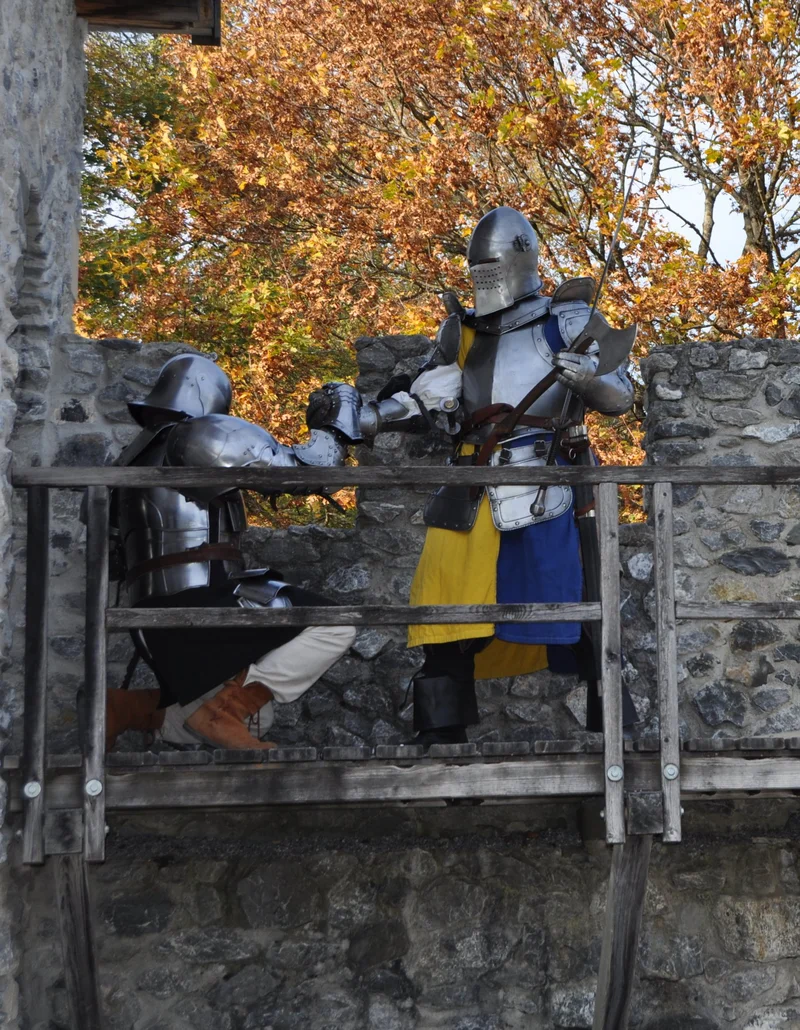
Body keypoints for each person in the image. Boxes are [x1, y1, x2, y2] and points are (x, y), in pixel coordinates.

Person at [310, 207, 637, 747]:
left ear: (520, 258)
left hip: (547, 483)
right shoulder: (459, 331)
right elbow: (426, 401)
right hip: (469, 483)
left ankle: (616, 739)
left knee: (578, 610)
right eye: (476, 266)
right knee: (442, 610)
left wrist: (587, 381)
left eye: (492, 263)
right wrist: (369, 416)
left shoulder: (569, 319)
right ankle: (443, 738)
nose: (484, 276)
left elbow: (620, 396)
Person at [103, 354, 362, 751]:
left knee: (260, 720)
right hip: (193, 602)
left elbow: (116, 557)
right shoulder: (197, 435)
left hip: (150, 615)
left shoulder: (132, 457)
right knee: (334, 623)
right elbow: (310, 469)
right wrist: (341, 420)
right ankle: (223, 711)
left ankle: (131, 709)